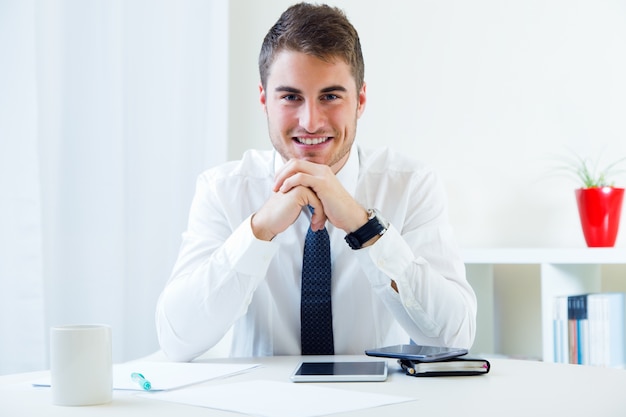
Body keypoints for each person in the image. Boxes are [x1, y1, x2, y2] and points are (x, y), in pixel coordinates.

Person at [156, 2, 476, 361]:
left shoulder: (412, 185)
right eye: (291, 97)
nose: (310, 121)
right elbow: (178, 339)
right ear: (264, 99)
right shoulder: (223, 190)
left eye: (331, 96)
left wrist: (364, 227)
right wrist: (259, 230)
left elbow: (455, 338)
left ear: (361, 100)